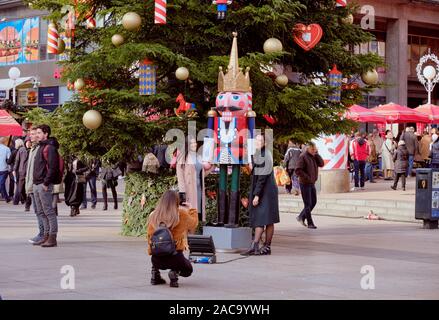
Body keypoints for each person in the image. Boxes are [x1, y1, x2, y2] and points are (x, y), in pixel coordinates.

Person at [146, 190, 198, 288]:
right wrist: (192, 209)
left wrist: (151, 253)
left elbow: (149, 238)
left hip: (156, 259)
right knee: (188, 270)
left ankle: (155, 273)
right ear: (177, 201)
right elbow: (194, 224)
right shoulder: (181, 214)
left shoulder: (153, 215)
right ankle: (174, 273)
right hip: (175, 257)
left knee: (158, 258)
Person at [242, 134, 280, 256]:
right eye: (256, 140)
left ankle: (266, 246)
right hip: (263, 189)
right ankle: (256, 245)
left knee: (268, 219)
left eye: (260, 140)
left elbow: (262, 177)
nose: (257, 142)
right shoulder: (259, 154)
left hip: (267, 191)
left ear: (265, 143)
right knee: (261, 218)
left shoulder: (265, 155)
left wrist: (257, 195)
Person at [32, 124, 60, 247]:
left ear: (45, 134)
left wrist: (46, 182)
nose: (37, 135)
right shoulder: (40, 146)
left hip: (44, 185)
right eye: (36, 133)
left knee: (48, 211)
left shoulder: (50, 147)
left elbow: (53, 167)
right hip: (37, 184)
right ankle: (46, 235)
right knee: (41, 211)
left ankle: (52, 237)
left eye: (39, 133)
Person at [176, 136, 211, 222]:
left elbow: (201, 174)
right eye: (191, 143)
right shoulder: (182, 157)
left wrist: (212, 167)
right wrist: (182, 192)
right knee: (188, 213)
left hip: (198, 189)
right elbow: (180, 177)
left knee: (196, 213)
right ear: (187, 145)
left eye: (195, 142)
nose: (194, 144)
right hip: (188, 190)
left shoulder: (198, 157)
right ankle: (187, 234)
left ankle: (194, 232)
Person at [295, 142, 324, 229]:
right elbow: (298, 170)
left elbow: (321, 164)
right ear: (308, 149)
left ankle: (301, 217)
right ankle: (310, 223)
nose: (314, 151)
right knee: (307, 204)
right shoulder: (303, 156)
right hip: (304, 183)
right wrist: (307, 177)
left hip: (311, 183)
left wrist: (317, 154)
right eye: (312, 149)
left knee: (313, 202)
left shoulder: (314, 156)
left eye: (315, 149)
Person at [12, 139, 27, 205]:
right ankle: (23, 199)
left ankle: (16, 200)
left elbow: (18, 161)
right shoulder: (23, 150)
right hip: (22, 170)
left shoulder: (21, 150)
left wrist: (14, 169)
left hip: (21, 170)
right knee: (21, 185)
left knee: (19, 186)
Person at [0, 137, 11, 202]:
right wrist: (9, 168)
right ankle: (6, 198)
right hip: (4, 169)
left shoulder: (7, 149)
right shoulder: (7, 149)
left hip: (3, 169)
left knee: (1, 183)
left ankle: (6, 197)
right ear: (5, 142)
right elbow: (9, 159)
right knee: (2, 183)